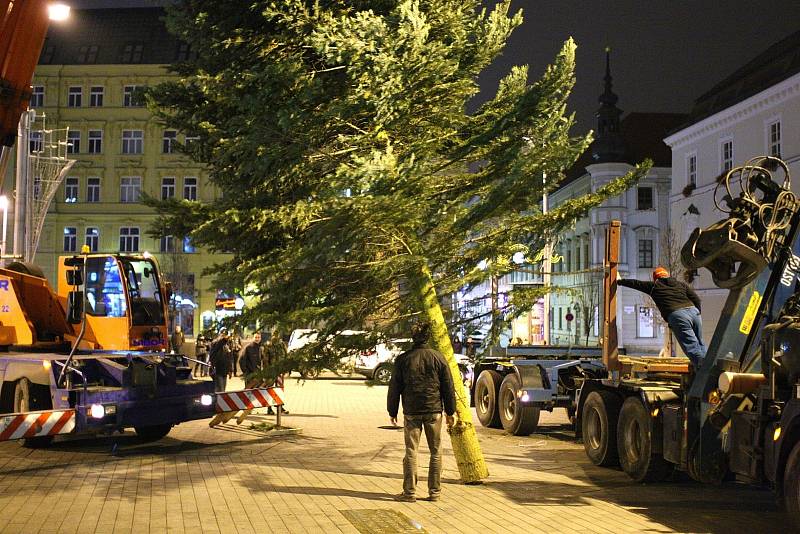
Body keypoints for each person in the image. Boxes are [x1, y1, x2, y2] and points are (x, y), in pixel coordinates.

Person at [387, 321, 456, 503]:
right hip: (434, 411)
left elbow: (394, 387)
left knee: (411, 451)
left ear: (413, 338)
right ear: (428, 338)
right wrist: (450, 411)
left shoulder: (403, 359)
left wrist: (392, 410)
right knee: (436, 451)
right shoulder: (438, 358)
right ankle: (435, 492)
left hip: (411, 411)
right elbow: (448, 387)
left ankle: (409, 493)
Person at [618, 266, 706, 366]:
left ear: (656, 278)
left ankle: (703, 372)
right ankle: (710, 367)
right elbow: (696, 299)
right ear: (667, 275)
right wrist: (697, 313)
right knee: (700, 343)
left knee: (692, 346)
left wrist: (620, 281)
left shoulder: (654, 286)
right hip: (694, 312)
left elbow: (636, 284)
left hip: (678, 315)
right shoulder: (680, 284)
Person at [263, 330, 289, 415]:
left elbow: (286, 356)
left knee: (280, 390)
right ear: (272, 335)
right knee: (269, 390)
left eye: (277, 335)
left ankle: (280, 407)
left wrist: (285, 369)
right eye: (274, 335)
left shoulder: (282, 345)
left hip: (280, 371)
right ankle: (269, 408)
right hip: (271, 371)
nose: (276, 336)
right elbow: (265, 359)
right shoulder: (268, 345)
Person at [208, 328, 232, 392]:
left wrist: (230, 370)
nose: (224, 336)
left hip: (225, 370)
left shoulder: (227, 344)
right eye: (222, 334)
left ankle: (220, 401)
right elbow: (212, 356)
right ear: (219, 334)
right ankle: (217, 401)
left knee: (223, 389)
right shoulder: (216, 342)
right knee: (219, 390)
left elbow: (229, 357)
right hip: (217, 370)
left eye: (225, 335)